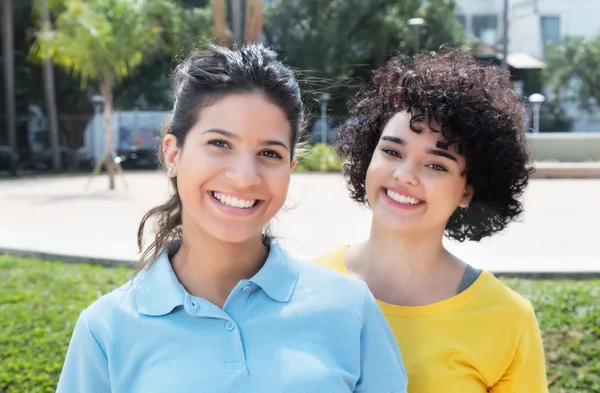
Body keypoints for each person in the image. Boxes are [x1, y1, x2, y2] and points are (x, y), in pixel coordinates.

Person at [56, 44, 408, 393]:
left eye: (269, 153)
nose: (244, 176)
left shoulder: (350, 309)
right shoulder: (105, 331)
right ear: (173, 154)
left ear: (290, 169)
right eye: (220, 144)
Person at [315, 47, 548, 393]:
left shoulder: (507, 320)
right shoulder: (302, 288)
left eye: (437, 165)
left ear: (469, 189)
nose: (405, 176)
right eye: (392, 152)